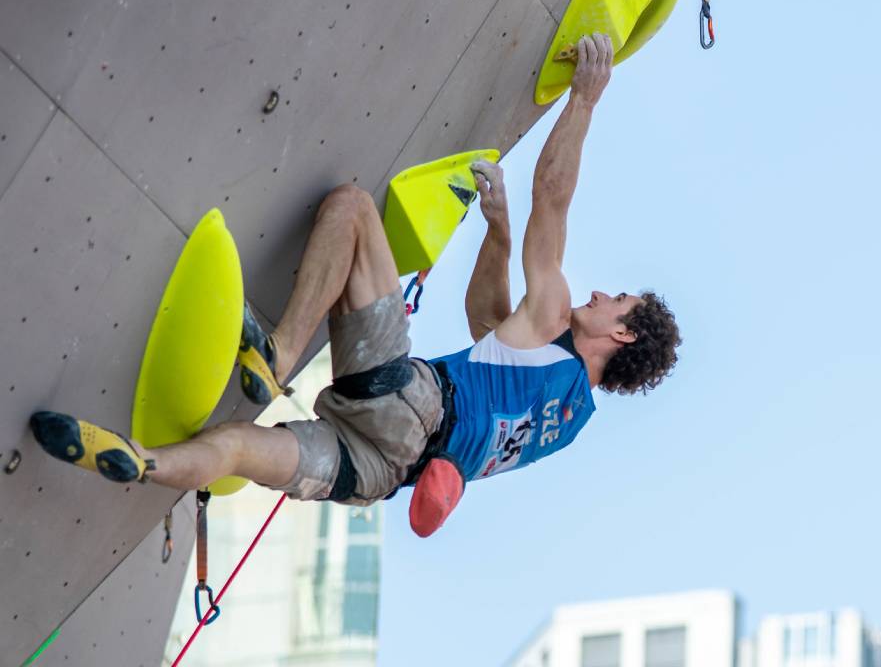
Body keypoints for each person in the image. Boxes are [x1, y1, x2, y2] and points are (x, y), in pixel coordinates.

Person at [30, 33, 680, 535]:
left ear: (623, 332)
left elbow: (553, 199)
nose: (598, 295)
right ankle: (142, 462)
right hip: (381, 474)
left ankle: (279, 353)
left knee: (347, 209)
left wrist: (586, 98)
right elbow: (488, 324)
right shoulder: (562, 420)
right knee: (229, 449)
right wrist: (499, 237)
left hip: (411, 403)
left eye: (616, 299)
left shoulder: (554, 317)